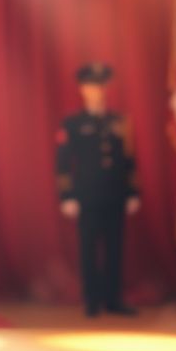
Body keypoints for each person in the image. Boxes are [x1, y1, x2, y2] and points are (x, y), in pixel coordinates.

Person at [55, 63, 140, 317]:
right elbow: (62, 163)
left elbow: (129, 158)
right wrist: (67, 195)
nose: (96, 91)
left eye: (100, 86)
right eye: (91, 86)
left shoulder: (119, 121)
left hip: (115, 194)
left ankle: (113, 299)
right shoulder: (72, 123)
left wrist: (133, 192)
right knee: (88, 249)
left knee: (115, 249)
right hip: (87, 195)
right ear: (82, 89)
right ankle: (92, 300)